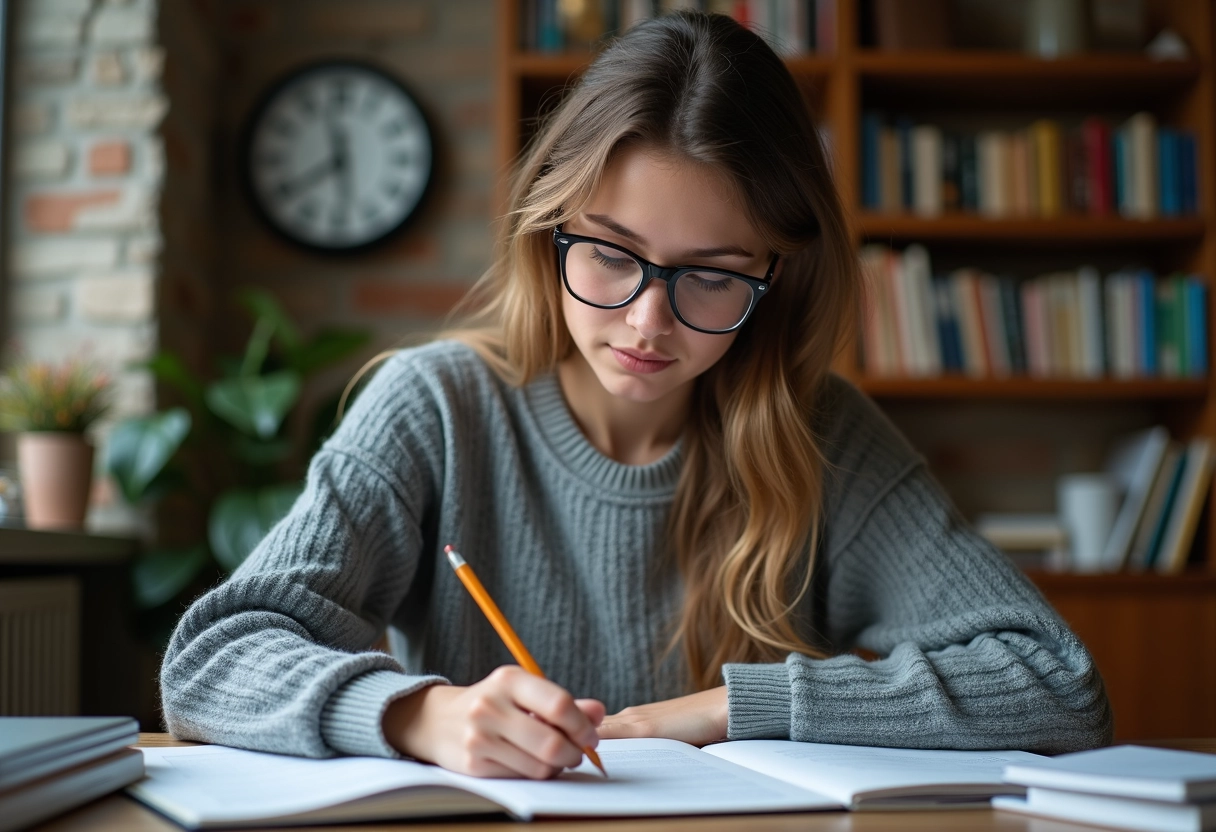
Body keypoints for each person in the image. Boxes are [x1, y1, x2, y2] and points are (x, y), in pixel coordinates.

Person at [160, 11, 1112, 780]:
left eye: (712, 274)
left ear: (775, 277)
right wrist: (419, 714)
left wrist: (730, 709)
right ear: (550, 230)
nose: (649, 322)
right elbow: (211, 658)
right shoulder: (437, 408)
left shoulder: (820, 436)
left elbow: (1057, 684)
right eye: (612, 254)